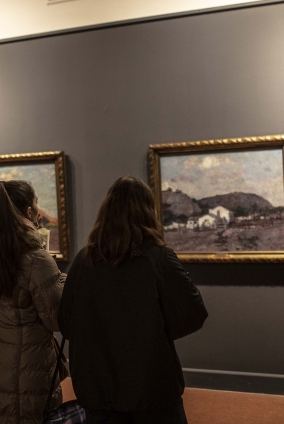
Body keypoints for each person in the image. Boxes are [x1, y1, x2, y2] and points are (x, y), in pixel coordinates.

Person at [58, 176, 208, 424]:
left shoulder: (84, 260)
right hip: (152, 390)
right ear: (148, 211)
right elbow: (192, 314)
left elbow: (66, 321)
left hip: (99, 392)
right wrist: (153, 333)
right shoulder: (158, 257)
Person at [0, 180, 66, 424]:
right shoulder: (37, 259)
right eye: (36, 204)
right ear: (29, 213)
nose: (38, 210)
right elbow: (55, 318)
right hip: (27, 365)